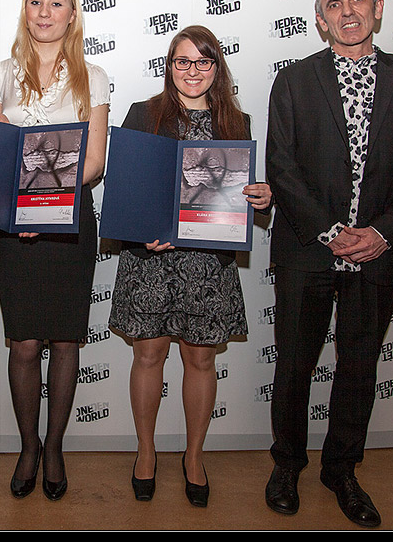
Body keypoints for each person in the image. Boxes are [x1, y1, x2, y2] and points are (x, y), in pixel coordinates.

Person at [264, 0, 393, 527]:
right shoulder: (293, 81)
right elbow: (282, 167)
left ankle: (341, 470)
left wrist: (381, 233)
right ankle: (287, 465)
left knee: (359, 366)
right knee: (294, 364)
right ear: (320, 20)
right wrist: (329, 231)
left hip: (378, 252)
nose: (347, 11)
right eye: (334, 4)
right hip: (307, 249)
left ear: (377, 7)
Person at [108, 25, 272, 507]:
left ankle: (194, 456)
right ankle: (145, 452)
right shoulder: (144, 114)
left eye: (203, 61)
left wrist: (261, 198)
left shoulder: (237, 122)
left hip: (207, 264)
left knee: (201, 360)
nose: (193, 71)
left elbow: (238, 196)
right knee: (148, 356)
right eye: (183, 61)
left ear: (217, 68)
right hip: (152, 260)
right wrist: (140, 230)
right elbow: (125, 185)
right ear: (170, 67)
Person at [0, 0, 110, 501]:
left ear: (72, 14)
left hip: (69, 223)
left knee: (63, 339)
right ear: (25, 9)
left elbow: (95, 161)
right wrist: (25, 208)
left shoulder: (93, 77)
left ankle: (54, 447)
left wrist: (47, 205)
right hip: (13, 225)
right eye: (36, 1)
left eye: (57, 3)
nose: (44, 12)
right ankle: (29, 446)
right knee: (24, 341)